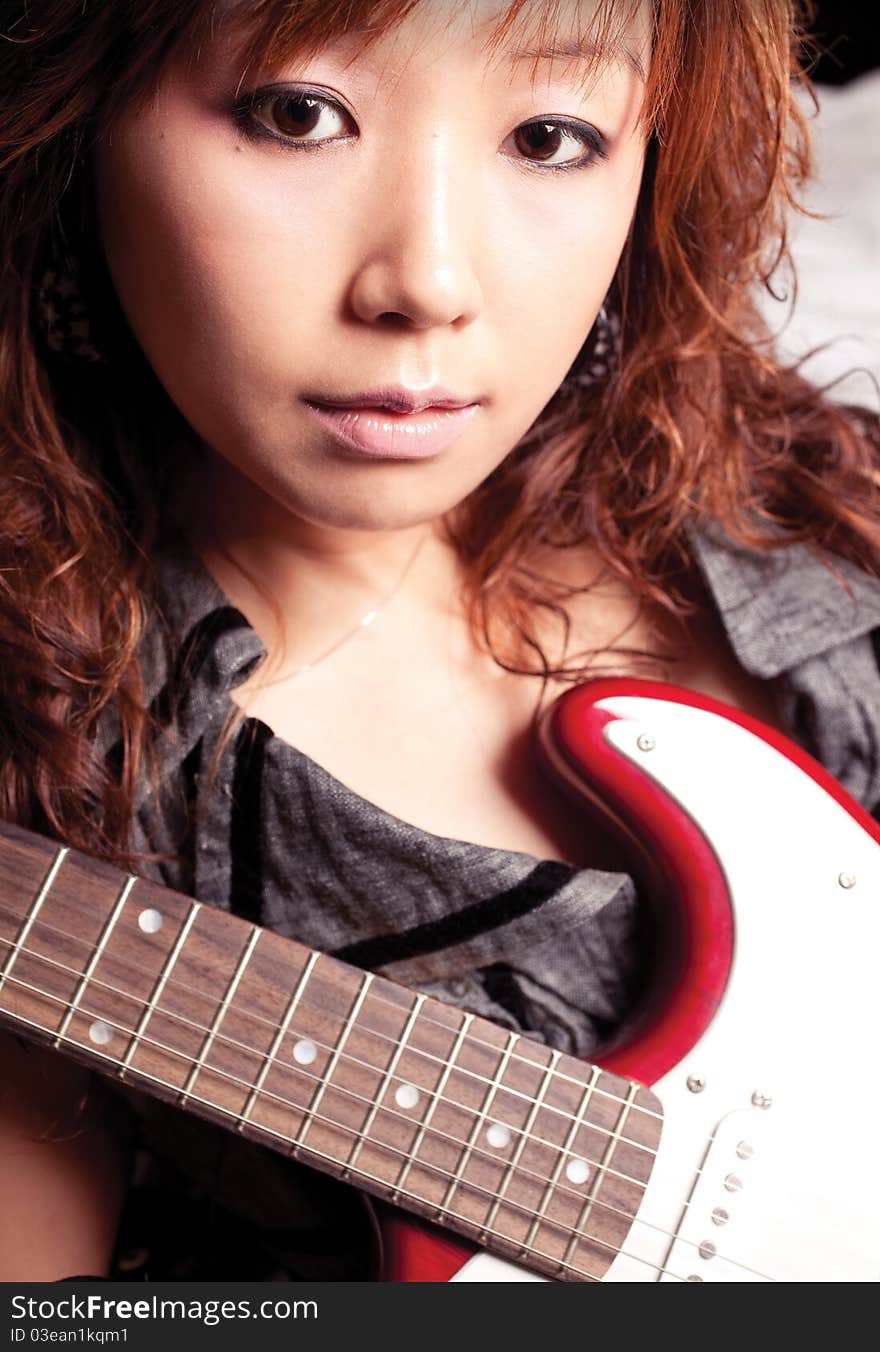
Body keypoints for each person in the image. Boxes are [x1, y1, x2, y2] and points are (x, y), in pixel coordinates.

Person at [1, 0, 878, 1283]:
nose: (428, 281)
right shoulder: (62, 773)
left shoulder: (795, 507)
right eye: (296, 114)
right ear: (75, 121)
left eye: (549, 134)